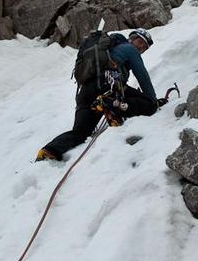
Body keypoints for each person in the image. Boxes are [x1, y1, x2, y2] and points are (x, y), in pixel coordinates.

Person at [36, 28, 163, 161]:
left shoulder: (107, 49)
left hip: (86, 92)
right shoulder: (129, 49)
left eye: (144, 47)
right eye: (139, 41)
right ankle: (113, 107)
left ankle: (49, 150)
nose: (141, 46)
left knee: (81, 132)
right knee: (148, 105)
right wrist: (153, 101)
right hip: (108, 87)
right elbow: (143, 77)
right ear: (131, 38)